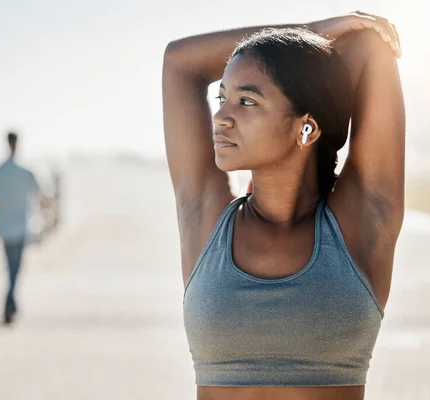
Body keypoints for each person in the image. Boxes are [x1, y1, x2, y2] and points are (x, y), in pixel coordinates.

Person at [163, 11, 404, 400]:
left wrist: (299, 50)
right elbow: (179, 62)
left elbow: (370, 43)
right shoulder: (205, 218)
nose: (222, 117)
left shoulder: (363, 220)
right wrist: (306, 34)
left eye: (246, 101)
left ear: (305, 127)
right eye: (222, 97)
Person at [0, 132, 47, 324]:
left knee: (10, 267)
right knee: (15, 268)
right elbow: (41, 198)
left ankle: (10, 303)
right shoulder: (25, 172)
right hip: (19, 228)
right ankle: (10, 304)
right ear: (17, 145)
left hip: (3, 227)